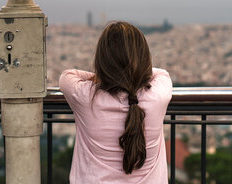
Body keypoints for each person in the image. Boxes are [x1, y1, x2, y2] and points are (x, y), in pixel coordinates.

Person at [59, 21, 172, 183]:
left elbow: (66, 76)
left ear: (102, 59)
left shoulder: (86, 96)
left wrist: (104, 77)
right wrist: (133, 74)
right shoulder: (158, 95)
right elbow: (161, 73)